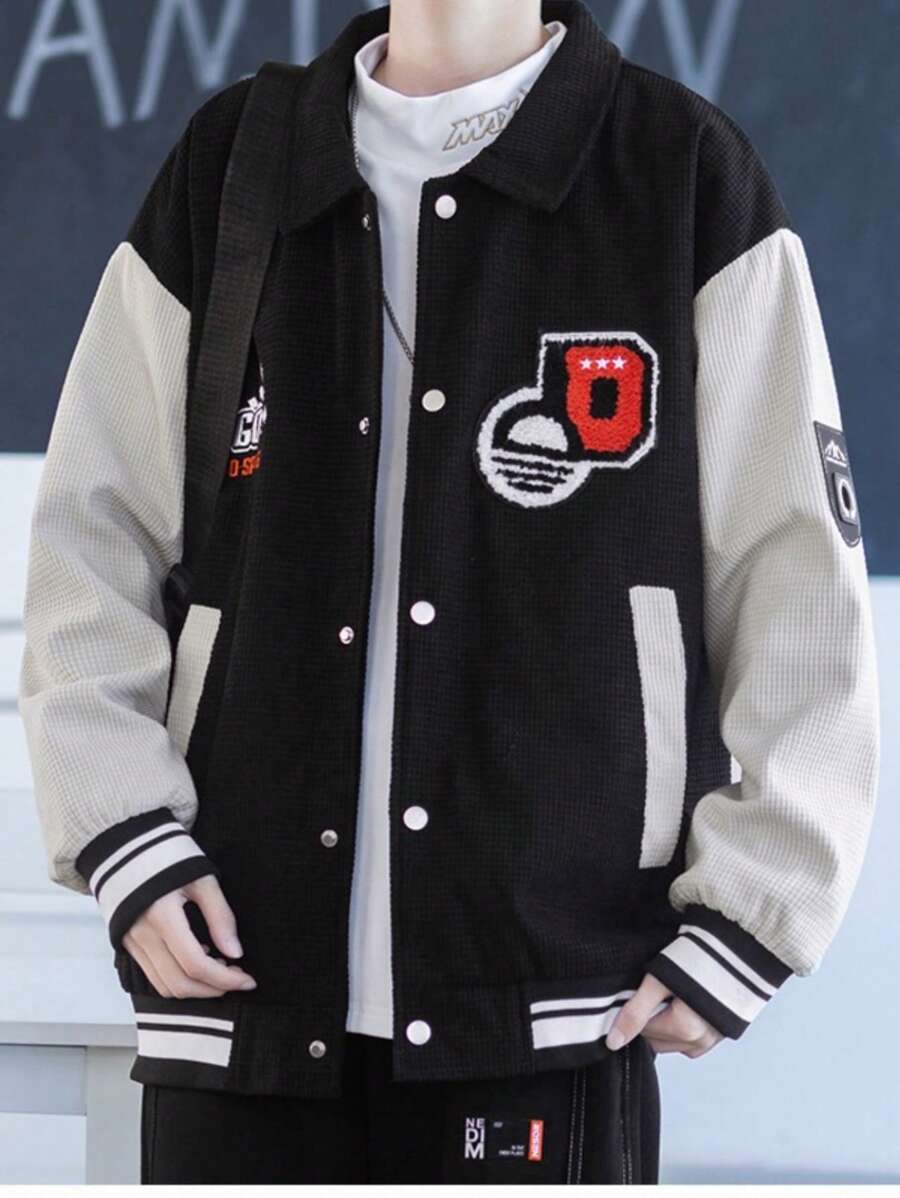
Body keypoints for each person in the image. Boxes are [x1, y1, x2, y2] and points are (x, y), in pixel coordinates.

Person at [17, 0, 880, 1185]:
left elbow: (798, 579)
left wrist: (756, 907)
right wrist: (125, 831)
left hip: (555, 994)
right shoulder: (236, 163)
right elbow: (91, 531)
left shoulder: (678, 172)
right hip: (239, 982)